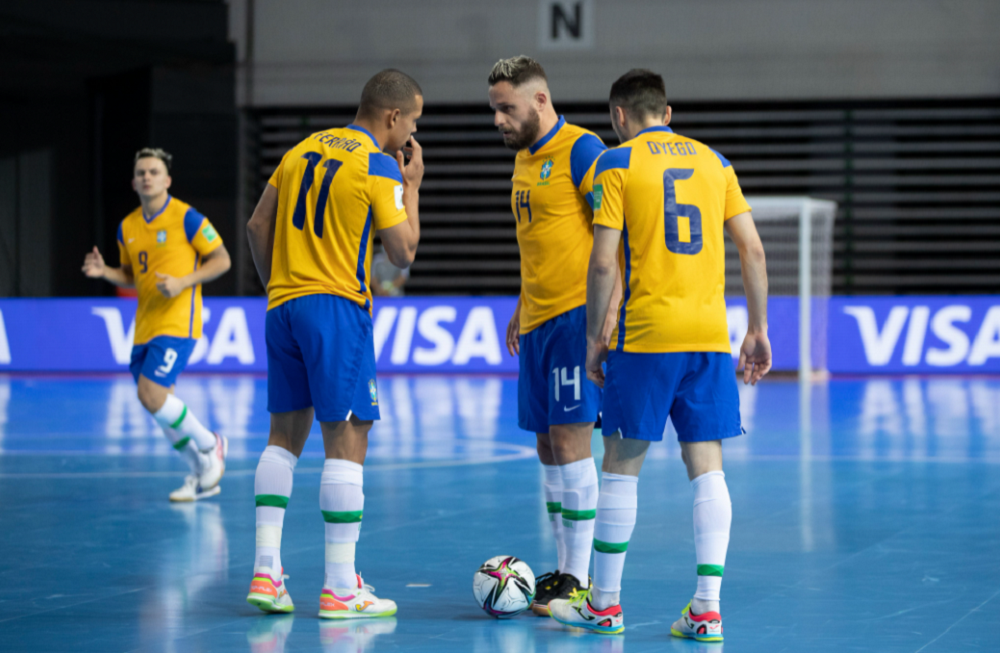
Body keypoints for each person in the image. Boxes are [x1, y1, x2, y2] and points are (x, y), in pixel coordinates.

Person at [549, 69, 771, 640]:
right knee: (708, 469)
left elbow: (602, 263)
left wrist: (597, 337)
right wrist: (757, 328)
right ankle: (706, 609)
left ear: (618, 117)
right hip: (707, 337)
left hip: (646, 336)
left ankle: (604, 605)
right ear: (667, 112)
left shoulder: (615, 163)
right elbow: (752, 246)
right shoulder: (716, 164)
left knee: (621, 468)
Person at [243, 69, 423, 619]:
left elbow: (256, 226)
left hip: (283, 306)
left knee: (282, 438)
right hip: (337, 307)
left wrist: (278, 286)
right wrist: (411, 185)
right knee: (347, 438)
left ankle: (266, 573)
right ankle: (341, 587)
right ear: (393, 117)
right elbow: (402, 252)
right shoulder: (377, 163)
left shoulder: (300, 151)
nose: (413, 133)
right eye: (413, 121)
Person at [487, 55, 620, 616]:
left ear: (540, 100)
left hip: (573, 317)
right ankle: (565, 569)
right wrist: (523, 301)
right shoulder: (522, 158)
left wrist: (610, 307)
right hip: (538, 320)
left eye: (506, 108)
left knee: (570, 442)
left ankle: (579, 578)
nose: (498, 120)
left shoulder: (582, 149)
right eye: (493, 109)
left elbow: (618, 227)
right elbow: (542, 238)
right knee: (545, 445)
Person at [82, 147, 231, 502]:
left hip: (179, 321)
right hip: (145, 323)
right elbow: (132, 276)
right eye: (141, 173)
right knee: (157, 403)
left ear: (167, 180)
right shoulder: (128, 227)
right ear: (134, 182)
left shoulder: (187, 218)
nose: (147, 177)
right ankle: (199, 473)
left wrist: (183, 282)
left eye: (153, 171)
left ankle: (213, 443)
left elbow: (222, 260)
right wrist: (105, 272)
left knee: (149, 392)